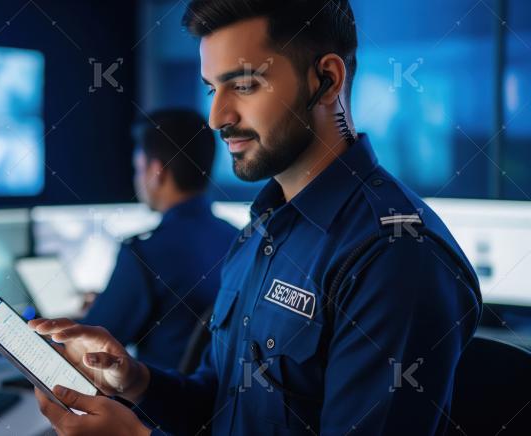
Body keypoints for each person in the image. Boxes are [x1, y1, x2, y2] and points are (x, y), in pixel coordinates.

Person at [31, 1, 482, 434]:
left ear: (326, 81)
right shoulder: (260, 230)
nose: (216, 117)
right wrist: (136, 382)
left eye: (243, 85)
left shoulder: (394, 255)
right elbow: (220, 405)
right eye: (212, 89)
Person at [80, 108, 239, 370]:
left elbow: (88, 348)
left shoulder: (145, 254)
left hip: (157, 404)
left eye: (137, 169)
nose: (137, 179)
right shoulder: (239, 241)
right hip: (218, 403)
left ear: (156, 171)